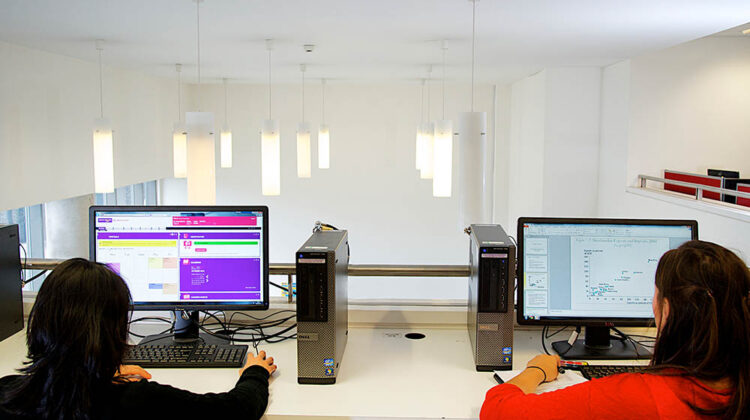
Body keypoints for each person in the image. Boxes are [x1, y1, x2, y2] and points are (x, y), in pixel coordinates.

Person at [481, 240, 750, 420]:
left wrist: (536, 370)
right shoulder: (738, 386)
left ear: (667, 309)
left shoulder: (636, 397)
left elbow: (498, 411)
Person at [0, 258, 277, 420]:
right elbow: (235, 412)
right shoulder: (137, 401)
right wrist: (255, 373)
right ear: (112, 330)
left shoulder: (8, 393)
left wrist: (97, 373)